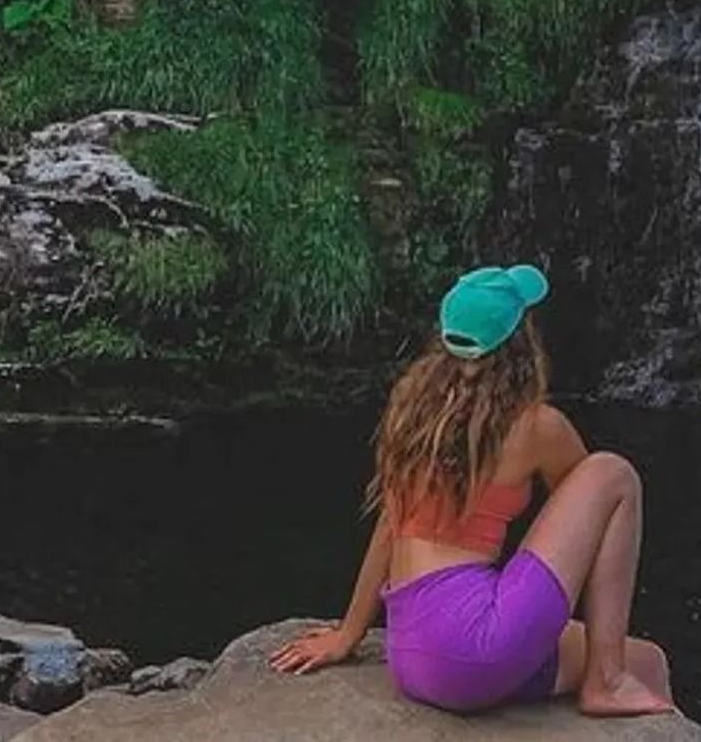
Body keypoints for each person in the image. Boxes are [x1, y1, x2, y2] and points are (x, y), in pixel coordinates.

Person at [270, 264, 674, 719]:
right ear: (521, 344)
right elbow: (592, 518)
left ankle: (607, 673)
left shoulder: (414, 407)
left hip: (414, 656)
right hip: (478, 644)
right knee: (613, 474)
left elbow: (391, 523)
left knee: (648, 659)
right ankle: (605, 682)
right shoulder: (537, 426)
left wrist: (350, 632)